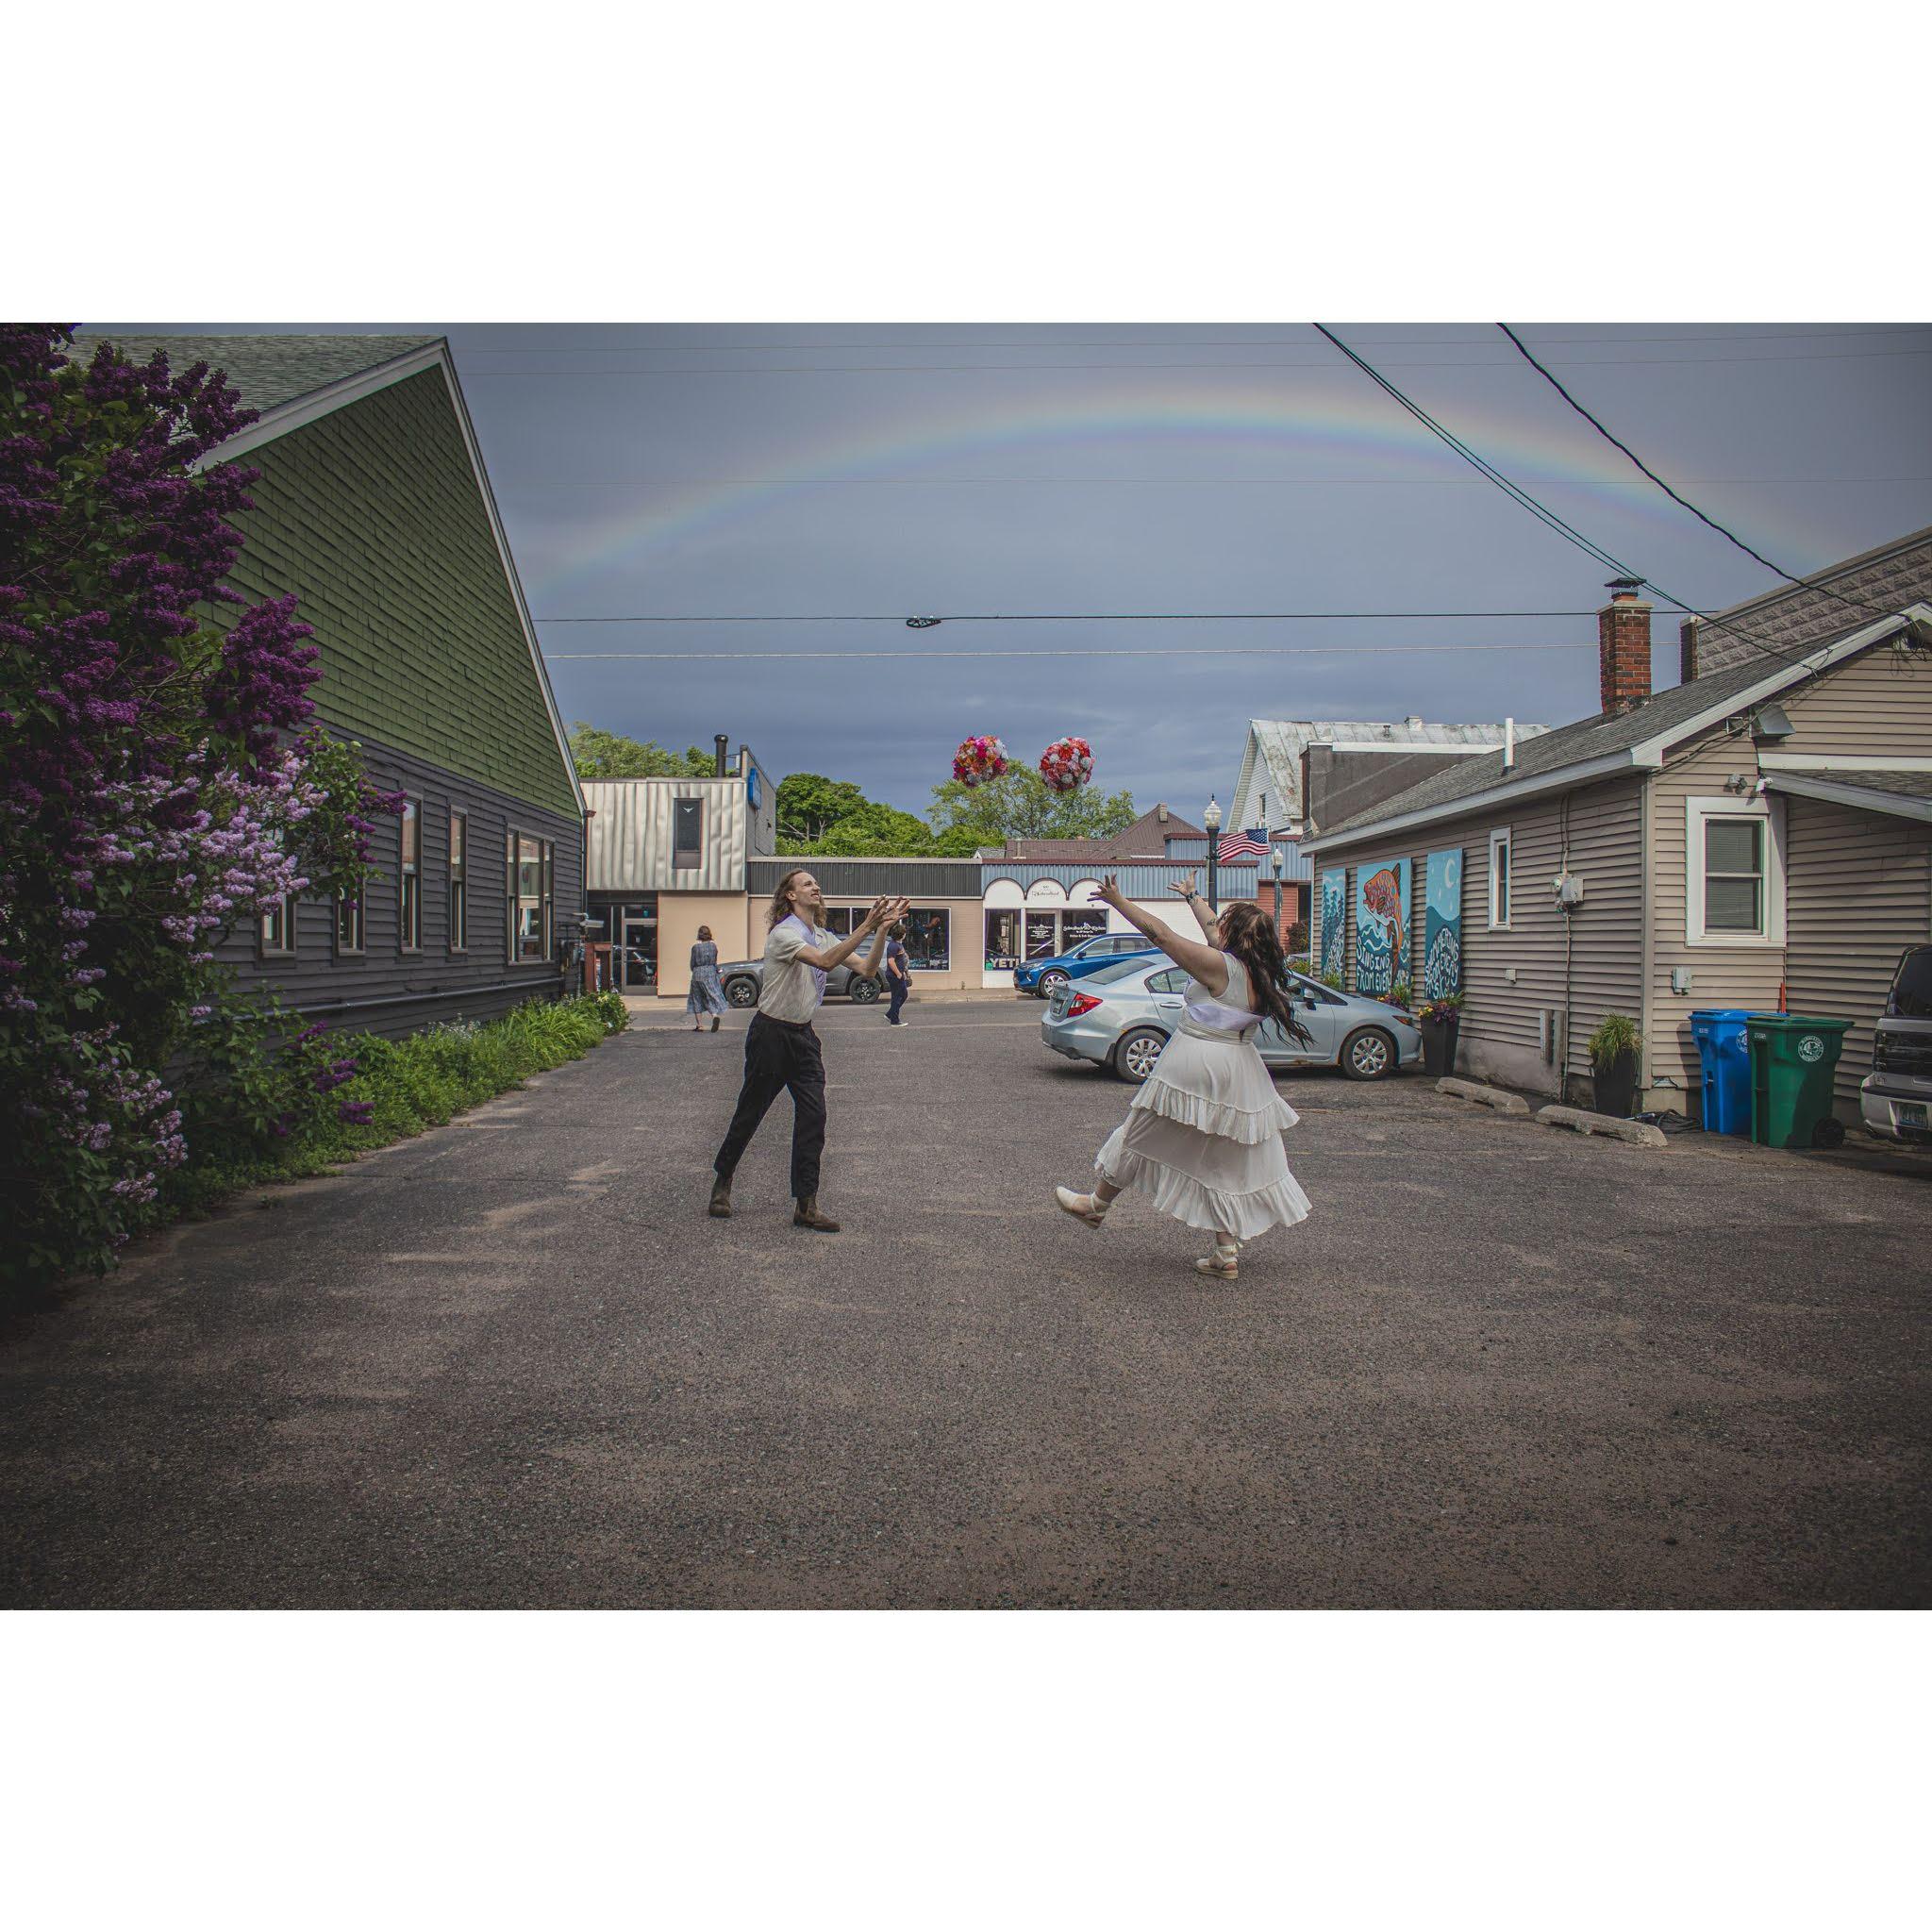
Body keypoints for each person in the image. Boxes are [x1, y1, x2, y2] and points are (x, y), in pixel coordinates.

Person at [1054, 873, 1313, 1280]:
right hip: (1241, 1071)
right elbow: (1212, 929)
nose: (1218, 927)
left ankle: (1096, 1206)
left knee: (1138, 1132)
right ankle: (1226, 1252)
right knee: (1225, 1158)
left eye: (1225, 924)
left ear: (1236, 935)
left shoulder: (1220, 966)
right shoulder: (1259, 971)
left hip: (1197, 1063)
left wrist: (1118, 902)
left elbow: (1161, 935)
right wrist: (1193, 897)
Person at [709, 871, 910, 1232]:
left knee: (813, 1118)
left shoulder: (821, 935)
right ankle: (723, 1180)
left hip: (803, 1037)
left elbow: (866, 969)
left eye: (816, 884)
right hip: (771, 1034)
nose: (815, 887)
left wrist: (881, 930)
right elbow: (824, 963)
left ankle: (806, 1204)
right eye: (806, 884)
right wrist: (866, 925)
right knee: (750, 1113)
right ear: (789, 895)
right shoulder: (783, 934)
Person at [688, 924, 727, 1032]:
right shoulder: (713, 946)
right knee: (709, 997)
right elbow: (714, 962)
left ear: (699, 935)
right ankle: (715, 1016)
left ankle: (700, 1025)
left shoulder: (695, 948)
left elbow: (692, 964)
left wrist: (695, 970)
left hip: (698, 974)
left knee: (697, 998)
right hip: (710, 973)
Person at [883, 921, 911, 1026]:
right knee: (896, 997)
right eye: (904, 932)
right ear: (902, 934)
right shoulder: (893, 946)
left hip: (900, 975)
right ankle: (894, 1021)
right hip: (894, 976)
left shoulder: (899, 945)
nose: (905, 934)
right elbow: (891, 961)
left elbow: (903, 960)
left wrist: (906, 973)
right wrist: (898, 974)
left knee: (904, 995)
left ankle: (890, 1014)